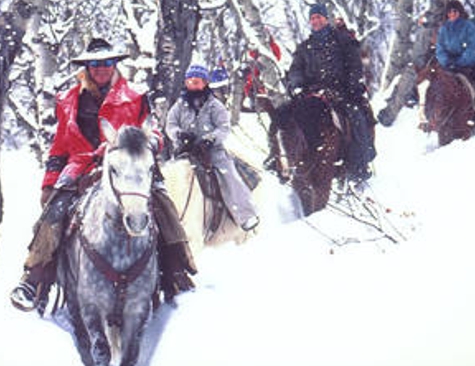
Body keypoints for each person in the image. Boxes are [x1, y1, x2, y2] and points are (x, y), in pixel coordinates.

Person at [10, 38, 197, 311]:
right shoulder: (67, 100)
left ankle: (176, 272)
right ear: (86, 67)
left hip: (129, 164)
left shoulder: (134, 96)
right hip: (81, 165)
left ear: (114, 65)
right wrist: (50, 182)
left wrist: (150, 143)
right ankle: (36, 278)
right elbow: (60, 144)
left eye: (107, 63)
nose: (101, 69)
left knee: (162, 205)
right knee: (53, 214)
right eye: (95, 64)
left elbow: (153, 130)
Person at [285, 2, 376, 182]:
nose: (315, 21)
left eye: (318, 17)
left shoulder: (342, 40)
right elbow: (295, 70)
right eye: (312, 18)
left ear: (326, 19)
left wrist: (350, 87)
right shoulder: (304, 48)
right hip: (313, 94)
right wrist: (297, 85)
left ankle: (359, 166)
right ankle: (294, 163)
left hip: (341, 93)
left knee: (356, 117)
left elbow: (355, 66)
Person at [166, 64, 259, 231]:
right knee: (168, 177)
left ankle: (245, 215)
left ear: (205, 83)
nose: (193, 85)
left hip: (211, 152)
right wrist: (179, 134)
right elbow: (170, 125)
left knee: (228, 176)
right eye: (190, 82)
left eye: (197, 82)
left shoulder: (215, 105)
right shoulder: (179, 106)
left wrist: (211, 139)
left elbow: (224, 127)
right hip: (185, 152)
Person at [436, 0, 475, 82]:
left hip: (468, 66)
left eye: (454, 11)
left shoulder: (469, 27)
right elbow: (440, 48)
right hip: (448, 65)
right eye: (449, 12)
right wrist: (446, 61)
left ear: (460, 12)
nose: (452, 14)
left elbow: (472, 48)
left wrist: (459, 62)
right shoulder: (444, 29)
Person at [241, 33, 281, 110]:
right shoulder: (253, 47)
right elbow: (251, 57)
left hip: (269, 69)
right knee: (251, 82)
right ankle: (253, 101)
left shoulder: (272, 46)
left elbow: (277, 57)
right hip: (256, 69)